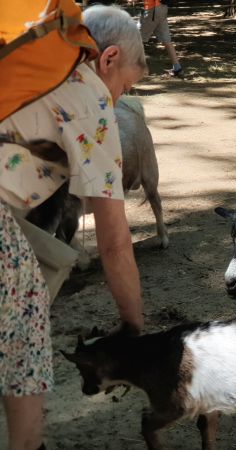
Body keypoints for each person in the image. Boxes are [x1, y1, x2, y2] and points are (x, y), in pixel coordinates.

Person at [0, 5, 147, 449]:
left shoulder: (30, 75)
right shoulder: (90, 98)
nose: (119, 100)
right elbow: (115, 243)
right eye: (125, 87)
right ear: (108, 59)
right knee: (25, 337)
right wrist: (133, 324)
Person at [136, 0, 183, 78]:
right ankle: (177, 68)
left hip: (152, 9)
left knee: (136, 38)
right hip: (162, 8)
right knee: (166, 40)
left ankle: (138, 68)